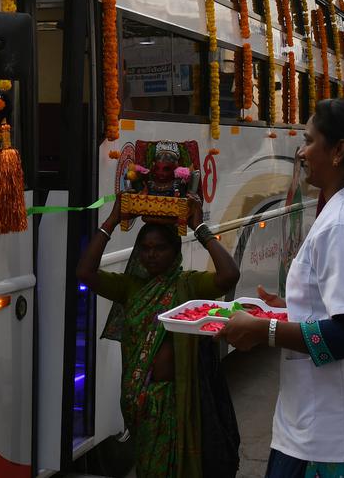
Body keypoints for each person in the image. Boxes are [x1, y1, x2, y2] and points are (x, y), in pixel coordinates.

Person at [220, 99, 344, 478]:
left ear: (339, 150)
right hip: (326, 427)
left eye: (309, 140)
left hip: (341, 440)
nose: (302, 152)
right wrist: (292, 311)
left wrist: (265, 330)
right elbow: (340, 313)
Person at [77, 194, 240, 478]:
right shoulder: (130, 287)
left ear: (175, 251)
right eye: (145, 248)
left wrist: (200, 228)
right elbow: (85, 272)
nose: (151, 254)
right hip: (140, 404)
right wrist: (112, 221)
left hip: (177, 401)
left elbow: (229, 276)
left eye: (160, 248)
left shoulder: (187, 285)